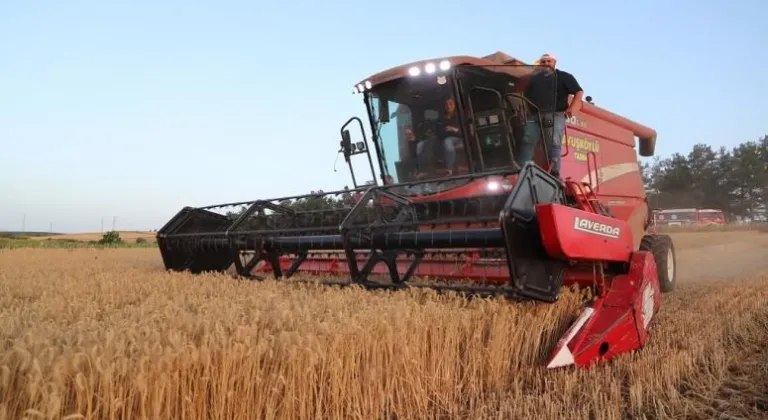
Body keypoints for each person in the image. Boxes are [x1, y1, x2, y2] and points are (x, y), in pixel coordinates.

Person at [515, 53, 584, 177]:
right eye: (543, 62)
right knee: (527, 139)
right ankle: (521, 170)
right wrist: (522, 111)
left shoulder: (563, 76)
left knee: (552, 141)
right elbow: (521, 92)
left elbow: (578, 91)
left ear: (554, 62)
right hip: (534, 116)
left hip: (551, 116)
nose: (546, 64)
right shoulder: (533, 78)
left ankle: (554, 172)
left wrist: (573, 107)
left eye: (549, 61)